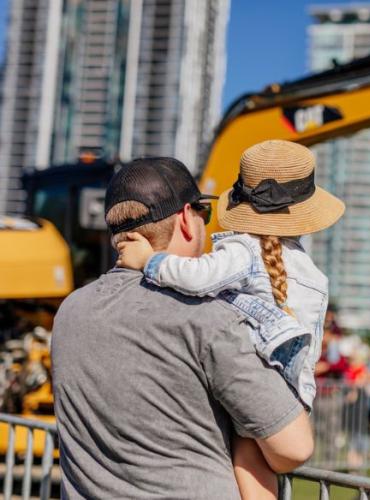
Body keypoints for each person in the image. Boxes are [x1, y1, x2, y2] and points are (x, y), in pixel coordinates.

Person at [51, 157, 315, 500]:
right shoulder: (207, 317)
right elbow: (293, 447)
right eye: (203, 215)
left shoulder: (70, 312)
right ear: (187, 220)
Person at [115, 140, 345, 498]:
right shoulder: (309, 271)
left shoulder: (242, 250)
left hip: (255, 376)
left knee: (245, 455)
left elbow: (197, 277)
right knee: (253, 458)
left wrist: (149, 261)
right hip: (292, 389)